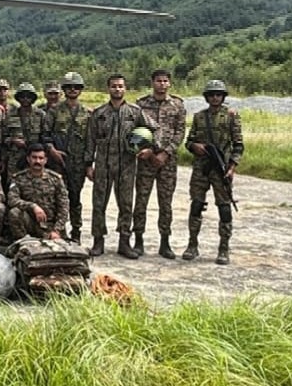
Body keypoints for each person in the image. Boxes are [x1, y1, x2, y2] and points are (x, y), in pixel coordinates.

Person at [84, 73, 157, 258]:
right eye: (114, 86)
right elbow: (90, 140)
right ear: (108, 89)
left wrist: (149, 148)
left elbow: (155, 129)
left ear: (125, 89)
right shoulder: (99, 114)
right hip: (103, 165)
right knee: (98, 204)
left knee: (126, 204)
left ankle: (124, 242)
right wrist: (88, 164)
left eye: (121, 86)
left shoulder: (135, 112)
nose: (117, 89)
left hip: (126, 165)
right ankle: (98, 242)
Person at [183, 79, 244, 265]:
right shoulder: (199, 117)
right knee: (196, 205)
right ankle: (192, 245)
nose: (215, 98)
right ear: (207, 97)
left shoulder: (232, 116)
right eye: (211, 95)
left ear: (223, 96)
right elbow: (189, 141)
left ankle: (224, 248)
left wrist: (232, 167)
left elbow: (239, 145)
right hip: (201, 168)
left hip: (222, 169)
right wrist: (196, 147)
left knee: (224, 208)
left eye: (218, 94)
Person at [133, 69, 188, 259]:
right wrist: (146, 151)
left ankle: (165, 243)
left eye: (165, 81)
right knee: (141, 201)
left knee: (166, 203)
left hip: (168, 162)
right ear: (152, 82)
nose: (162, 84)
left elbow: (180, 132)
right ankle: (138, 241)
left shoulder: (177, 105)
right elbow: (135, 131)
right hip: (146, 161)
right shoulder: (141, 104)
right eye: (158, 81)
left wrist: (166, 153)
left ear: (170, 83)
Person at [49, 71, 92, 244]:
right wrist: (52, 150)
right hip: (58, 162)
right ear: (64, 90)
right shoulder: (54, 111)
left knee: (75, 198)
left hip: (78, 163)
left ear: (80, 90)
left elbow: (90, 140)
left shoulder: (87, 113)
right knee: (59, 198)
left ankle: (76, 231)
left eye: (76, 87)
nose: (72, 90)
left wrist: (88, 163)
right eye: (69, 87)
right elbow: (46, 134)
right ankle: (60, 230)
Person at [5, 144, 69, 242]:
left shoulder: (55, 179)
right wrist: (33, 206)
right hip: (29, 224)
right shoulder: (19, 178)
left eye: (40, 158)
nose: (37, 161)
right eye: (34, 158)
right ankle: (23, 242)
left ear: (45, 160)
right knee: (14, 212)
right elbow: (12, 200)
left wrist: (57, 230)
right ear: (28, 159)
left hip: (50, 226)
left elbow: (63, 207)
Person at [2, 82, 51, 189]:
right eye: (22, 96)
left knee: (35, 186)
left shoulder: (40, 114)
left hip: (34, 158)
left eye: (28, 97)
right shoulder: (10, 114)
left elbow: (46, 136)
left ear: (33, 98)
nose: (25, 99)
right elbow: (3, 137)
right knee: (12, 185)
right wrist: (13, 140)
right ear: (18, 98)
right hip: (15, 158)